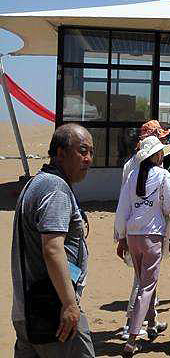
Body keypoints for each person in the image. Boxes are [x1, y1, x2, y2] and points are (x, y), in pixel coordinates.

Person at [12, 125, 95, 358]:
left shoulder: (37, 183)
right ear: (60, 153)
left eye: (91, 152)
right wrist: (69, 304)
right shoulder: (55, 187)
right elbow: (52, 248)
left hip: (27, 311)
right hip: (53, 311)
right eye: (82, 151)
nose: (88, 159)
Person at [114, 136, 170, 356]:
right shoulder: (162, 175)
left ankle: (151, 324)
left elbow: (123, 209)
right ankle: (132, 337)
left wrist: (120, 236)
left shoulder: (132, 176)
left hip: (133, 235)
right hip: (152, 235)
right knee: (146, 286)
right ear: (157, 155)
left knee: (144, 282)